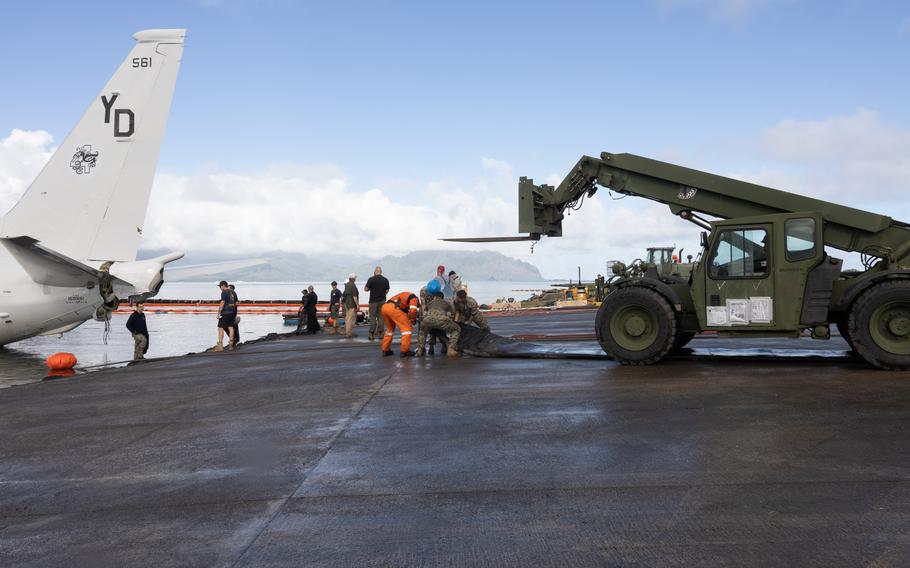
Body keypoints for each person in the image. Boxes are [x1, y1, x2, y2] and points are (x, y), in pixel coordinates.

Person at [416, 291, 460, 358]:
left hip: (428, 320)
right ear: (442, 297)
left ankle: (420, 349)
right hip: (441, 320)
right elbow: (452, 313)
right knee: (456, 329)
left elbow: (424, 313)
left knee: (422, 331)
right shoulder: (446, 303)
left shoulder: (430, 303)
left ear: (435, 297)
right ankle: (451, 349)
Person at [381, 290, 419, 357]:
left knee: (389, 330)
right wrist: (412, 319)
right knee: (407, 329)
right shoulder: (414, 299)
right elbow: (413, 311)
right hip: (394, 308)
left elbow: (405, 308)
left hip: (385, 307)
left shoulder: (405, 295)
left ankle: (385, 350)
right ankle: (405, 351)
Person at [364, 266, 390, 341]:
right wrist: (383, 294)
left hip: (373, 301)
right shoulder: (385, 280)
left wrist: (369, 288)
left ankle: (372, 333)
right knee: (381, 317)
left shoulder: (371, 279)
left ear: (374, 272)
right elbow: (387, 290)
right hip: (382, 300)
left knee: (373, 317)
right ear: (381, 272)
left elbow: (366, 289)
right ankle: (381, 333)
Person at [216, 280, 237, 351]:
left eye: (220, 287)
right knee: (230, 327)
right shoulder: (233, 292)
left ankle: (220, 346)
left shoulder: (224, 292)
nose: (220, 288)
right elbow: (236, 303)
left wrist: (218, 313)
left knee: (220, 328)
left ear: (223, 286)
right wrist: (234, 313)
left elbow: (222, 302)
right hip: (232, 313)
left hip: (225, 313)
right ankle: (231, 345)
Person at [342, 274, 360, 338]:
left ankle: (348, 332)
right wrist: (357, 304)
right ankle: (349, 333)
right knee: (351, 319)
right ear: (354, 278)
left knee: (348, 318)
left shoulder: (347, 285)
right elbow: (354, 296)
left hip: (347, 304)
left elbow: (344, 295)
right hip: (352, 304)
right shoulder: (353, 285)